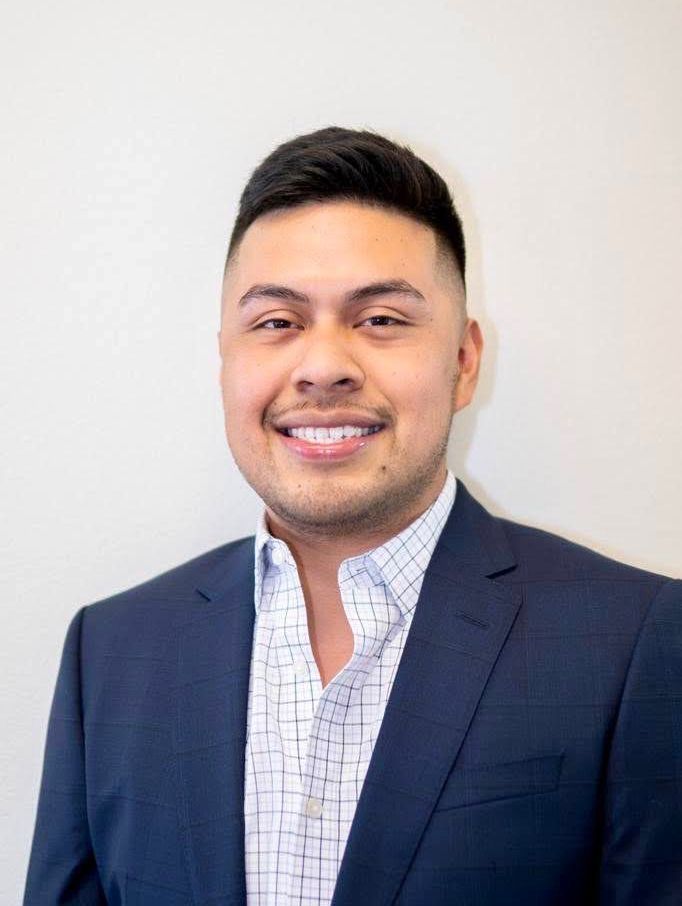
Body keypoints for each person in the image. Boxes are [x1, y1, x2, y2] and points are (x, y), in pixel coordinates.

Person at [23, 126, 681, 906]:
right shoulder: (112, 650)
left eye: (381, 320)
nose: (325, 365)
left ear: (465, 362)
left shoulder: (635, 638)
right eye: (276, 323)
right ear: (226, 359)